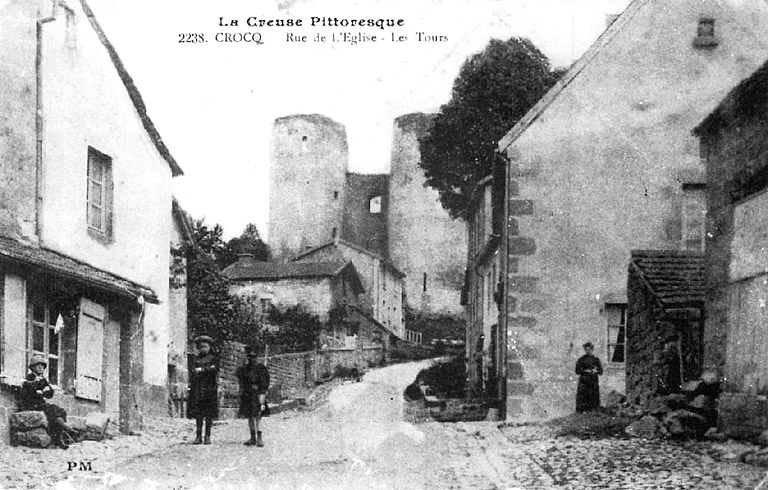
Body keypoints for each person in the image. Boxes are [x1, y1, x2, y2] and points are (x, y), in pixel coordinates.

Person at [19, 355, 76, 449]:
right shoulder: (29, 378)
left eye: (42, 365)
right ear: (32, 367)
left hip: (40, 404)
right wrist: (38, 389)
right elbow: (29, 392)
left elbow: (50, 393)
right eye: (37, 365)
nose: (40, 367)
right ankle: (65, 430)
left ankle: (61, 437)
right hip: (31, 405)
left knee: (60, 411)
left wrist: (45, 391)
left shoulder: (42, 379)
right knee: (51, 410)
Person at [236, 344, 270, 447]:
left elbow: (265, 381)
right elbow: (240, 380)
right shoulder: (243, 369)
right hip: (247, 393)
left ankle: (259, 437)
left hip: (257, 393)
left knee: (258, 415)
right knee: (249, 416)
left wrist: (263, 392)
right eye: (249, 357)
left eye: (254, 357)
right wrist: (240, 391)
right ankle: (252, 437)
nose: (252, 359)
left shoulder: (261, 368)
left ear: (257, 357)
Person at [188, 335, 218, 445]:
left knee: (209, 414)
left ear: (210, 347)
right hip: (198, 389)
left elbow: (214, 370)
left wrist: (202, 370)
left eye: (205, 346)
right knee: (198, 414)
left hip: (209, 389)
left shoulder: (213, 358)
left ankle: (207, 436)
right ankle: (198, 436)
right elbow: (192, 371)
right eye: (201, 347)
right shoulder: (195, 359)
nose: (203, 349)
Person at [575, 341, 603, 413]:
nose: (588, 351)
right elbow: (577, 371)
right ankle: (583, 410)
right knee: (584, 395)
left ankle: (594, 409)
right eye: (586, 350)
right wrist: (585, 371)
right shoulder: (581, 360)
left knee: (593, 395)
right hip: (584, 380)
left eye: (589, 349)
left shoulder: (596, 360)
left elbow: (600, 371)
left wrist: (595, 371)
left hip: (593, 380)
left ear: (592, 350)